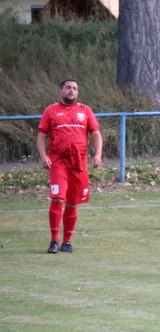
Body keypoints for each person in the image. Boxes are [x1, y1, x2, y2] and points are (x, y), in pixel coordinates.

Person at [37, 79, 103, 254]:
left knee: (73, 203)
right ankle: (53, 241)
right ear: (61, 91)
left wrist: (97, 154)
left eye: (74, 88)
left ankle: (67, 242)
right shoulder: (51, 110)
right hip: (58, 163)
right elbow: (41, 135)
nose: (71, 91)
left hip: (78, 164)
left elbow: (96, 134)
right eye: (68, 88)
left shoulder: (85, 111)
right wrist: (44, 156)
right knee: (58, 198)